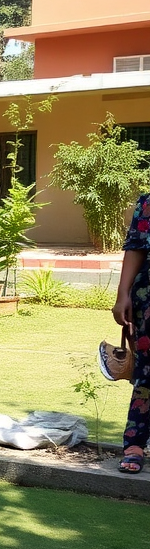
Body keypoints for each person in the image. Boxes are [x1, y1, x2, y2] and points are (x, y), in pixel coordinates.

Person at [111, 193, 150, 473]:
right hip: (149, 298)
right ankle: (135, 444)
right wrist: (122, 294)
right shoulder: (148, 203)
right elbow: (136, 247)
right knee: (147, 371)